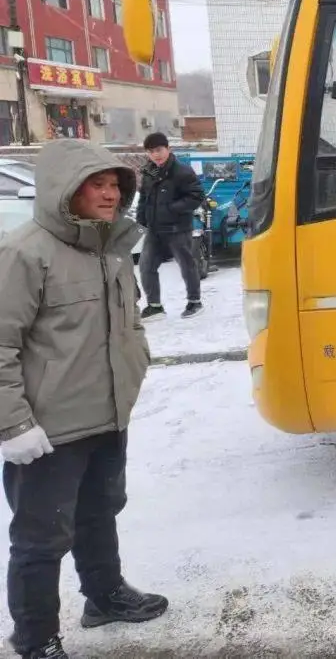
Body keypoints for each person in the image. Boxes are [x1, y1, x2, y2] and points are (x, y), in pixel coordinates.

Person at [0, 139, 168, 659]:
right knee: (41, 538)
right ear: (63, 190)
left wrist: (135, 362)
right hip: (48, 430)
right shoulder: (25, 252)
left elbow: (128, 322)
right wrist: (12, 426)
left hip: (107, 413)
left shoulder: (111, 248)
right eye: (97, 183)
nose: (110, 193)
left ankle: (104, 597)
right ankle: (36, 639)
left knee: (101, 511)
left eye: (115, 184)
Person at [135, 132, 205, 320]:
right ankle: (155, 306)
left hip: (177, 229)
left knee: (186, 265)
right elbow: (144, 197)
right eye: (151, 152)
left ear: (168, 149)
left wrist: (171, 209)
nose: (155, 155)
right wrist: (141, 218)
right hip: (154, 229)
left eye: (159, 150)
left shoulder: (182, 171)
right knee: (146, 265)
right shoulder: (149, 172)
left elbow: (196, 196)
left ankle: (194, 301)